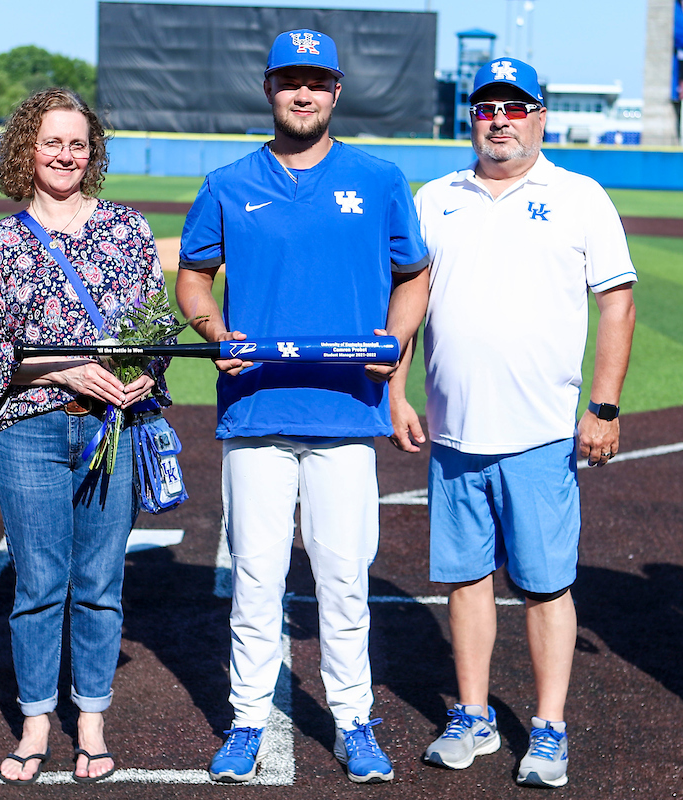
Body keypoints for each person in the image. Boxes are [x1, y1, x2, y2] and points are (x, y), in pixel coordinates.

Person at [174, 28, 429, 785]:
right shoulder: (227, 182)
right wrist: (214, 328)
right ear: (269, 88)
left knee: (344, 578)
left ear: (337, 91)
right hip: (256, 409)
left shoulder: (379, 179)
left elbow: (414, 275)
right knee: (256, 578)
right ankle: (247, 718)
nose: (304, 93)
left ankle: (354, 719)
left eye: (317, 81)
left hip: (347, 412)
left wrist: (395, 335)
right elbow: (193, 277)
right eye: (291, 80)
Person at [390, 57, 636, 790]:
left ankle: (551, 727)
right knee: (465, 581)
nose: (500, 119)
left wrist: (604, 405)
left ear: (540, 116)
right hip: (456, 434)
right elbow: (408, 302)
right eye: (487, 107)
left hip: (540, 434)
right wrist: (397, 394)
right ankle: (472, 715)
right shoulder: (435, 198)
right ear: (471, 117)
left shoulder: (580, 196)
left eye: (516, 106)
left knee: (544, 585)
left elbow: (616, 303)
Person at [0, 87, 173, 785]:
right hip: (30, 435)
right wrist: (71, 369)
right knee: (41, 584)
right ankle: (36, 722)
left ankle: (93, 722)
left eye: (78, 143)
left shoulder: (128, 230)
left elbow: (158, 328)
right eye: (52, 141)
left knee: (101, 585)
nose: (65, 154)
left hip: (112, 429)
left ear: (93, 152)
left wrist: (142, 374)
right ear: (26, 148)